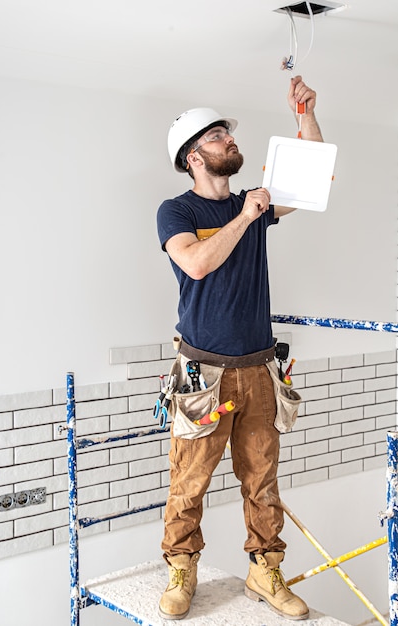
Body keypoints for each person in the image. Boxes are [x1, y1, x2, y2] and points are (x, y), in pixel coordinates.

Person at [156, 75, 323, 621]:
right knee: (190, 480)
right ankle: (183, 570)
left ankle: (264, 570)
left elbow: (309, 179)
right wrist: (246, 217)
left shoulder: (255, 202)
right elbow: (198, 264)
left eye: (228, 133)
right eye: (217, 136)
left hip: (257, 370)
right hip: (202, 375)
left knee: (262, 478)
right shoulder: (178, 212)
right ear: (192, 158)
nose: (229, 140)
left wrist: (305, 117)